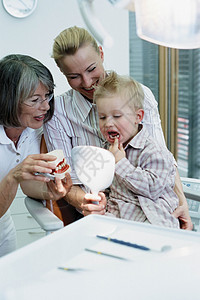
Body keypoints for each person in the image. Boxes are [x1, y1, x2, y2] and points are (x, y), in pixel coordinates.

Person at [43, 26, 192, 229]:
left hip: (152, 211)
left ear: (101, 54)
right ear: (62, 73)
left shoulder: (140, 95)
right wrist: (90, 203)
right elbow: (67, 181)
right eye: (74, 76)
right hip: (101, 214)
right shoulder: (57, 112)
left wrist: (181, 203)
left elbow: (162, 161)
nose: (87, 83)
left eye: (91, 69)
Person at [86, 71, 179, 228]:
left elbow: (153, 189)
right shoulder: (106, 151)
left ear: (138, 117)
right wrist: (101, 200)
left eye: (116, 116)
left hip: (152, 224)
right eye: (102, 117)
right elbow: (107, 188)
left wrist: (121, 163)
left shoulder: (154, 151)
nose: (108, 123)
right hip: (116, 222)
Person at [0, 54, 72, 256]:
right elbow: (17, 177)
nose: (46, 106)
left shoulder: (34, 132)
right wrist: (15, 174)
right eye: (35, 100)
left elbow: (28, 185)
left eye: (47, 96)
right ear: (9, 100)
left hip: (3, 230)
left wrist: (49, 191)